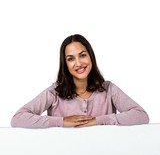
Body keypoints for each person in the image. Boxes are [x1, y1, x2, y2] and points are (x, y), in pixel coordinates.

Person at [11, 34, 149, 128]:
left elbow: (141, 116)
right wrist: (62, 121)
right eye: (71, 59)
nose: (78, 63)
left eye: (82, 55)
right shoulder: (54, 93)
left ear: (90, 57)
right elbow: (18, 119)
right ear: (65, 64)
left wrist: (99, 121)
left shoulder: (109, 90)